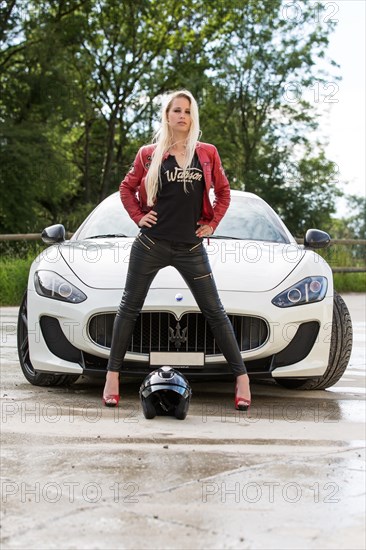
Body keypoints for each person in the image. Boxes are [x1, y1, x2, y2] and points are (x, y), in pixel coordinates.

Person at [102, 89, 251, 411]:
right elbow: (126, 188)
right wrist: (140, 216)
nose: (182, 116)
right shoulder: (148, 154)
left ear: (192, 116)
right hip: (151, 244)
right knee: (129, 308)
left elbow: (223, 192)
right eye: (176, 110)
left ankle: (242, 379)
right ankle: (112, 376)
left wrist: (212, 224)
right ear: (167, 115)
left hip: (191, 247)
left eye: (187, 111)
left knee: (215, 312)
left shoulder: (207, 153)